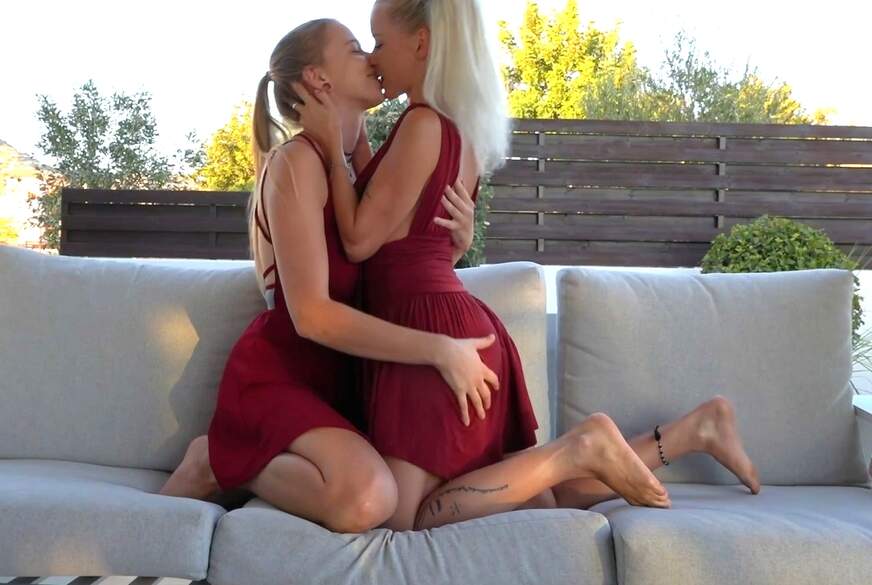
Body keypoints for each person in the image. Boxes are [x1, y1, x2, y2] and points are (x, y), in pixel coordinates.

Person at [294, 0, 760, 531]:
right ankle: (689, 433)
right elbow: (421, 240)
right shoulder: (460, 130)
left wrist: (330, 148)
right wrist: (356, 147)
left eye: (379, 42)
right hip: (448, 323)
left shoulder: (421, 124)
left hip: (427, 334)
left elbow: (359, 240)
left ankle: (581, 446)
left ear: (421, 42)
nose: (374, 58)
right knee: (533, 496)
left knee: (406, 518)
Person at [159, 18, 500, 534]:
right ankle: (216, 459)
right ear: (319, 79)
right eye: (357, 48)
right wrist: (438, 349)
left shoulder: (355, 171)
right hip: (285, 375)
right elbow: (313, 316)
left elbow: (386, 274)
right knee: (368, 498)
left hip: (348, 383)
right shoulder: (297, 162)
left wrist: (455, 242)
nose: (372, 58)